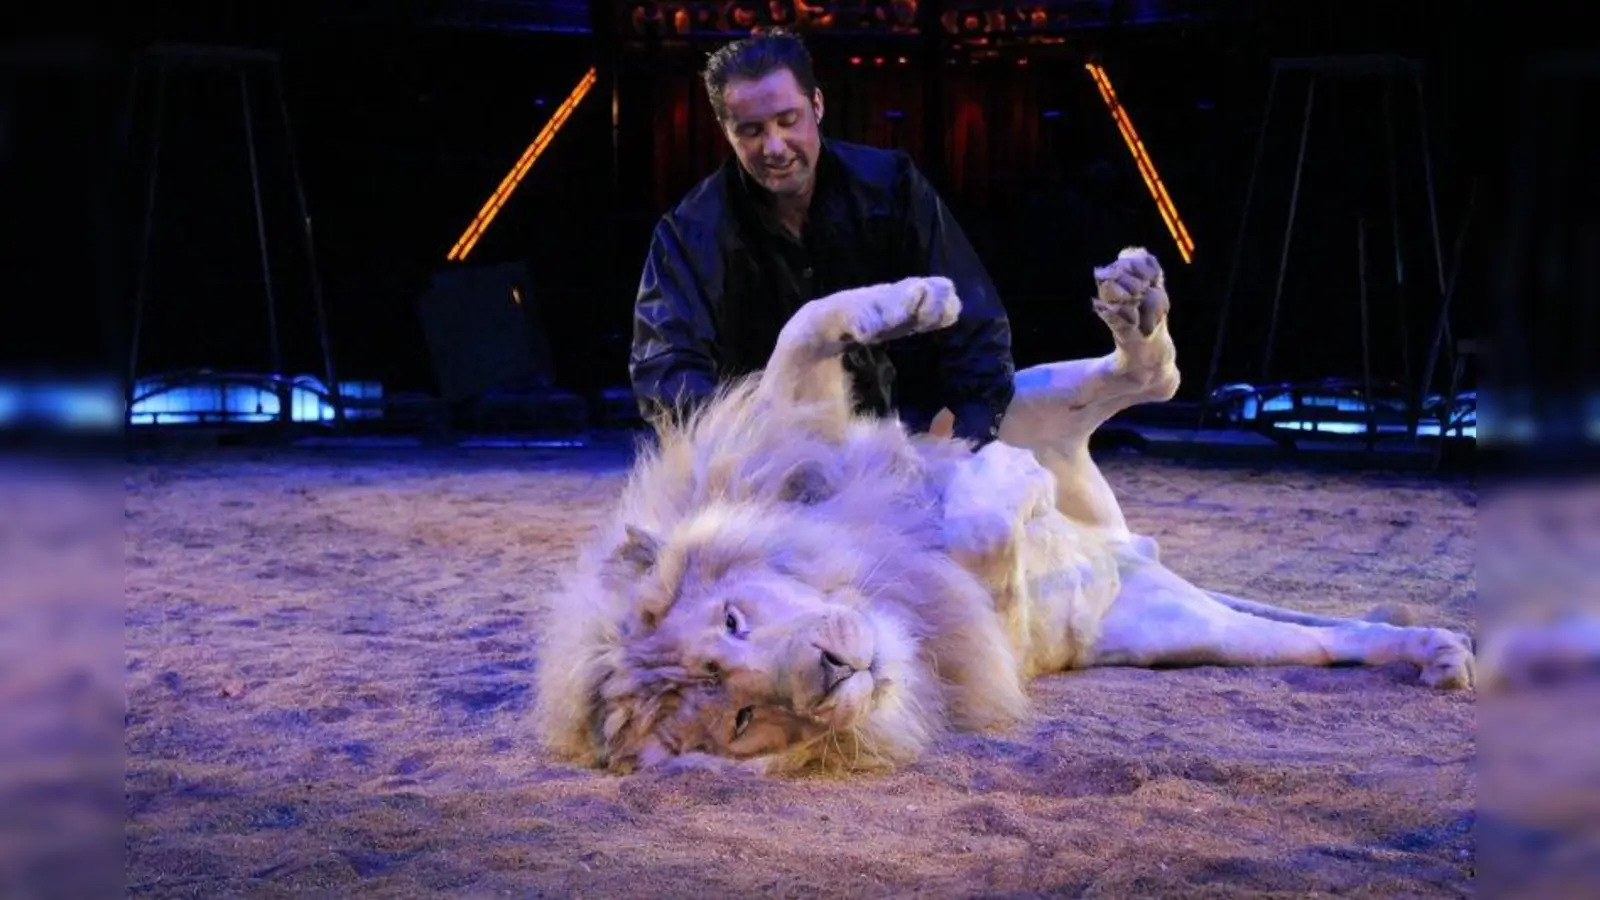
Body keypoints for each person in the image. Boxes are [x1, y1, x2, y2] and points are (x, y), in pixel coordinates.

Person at [627, 28, 1015, 448]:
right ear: (726, 131)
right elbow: (665, 370)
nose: (774, 146)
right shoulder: (688, 231)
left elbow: (974, 320)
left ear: (817, 104)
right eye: (751, 131)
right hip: (763, 459)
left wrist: (970, 439)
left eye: (787, 120)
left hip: (900, 440)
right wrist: (738, 451)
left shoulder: (893, 187)